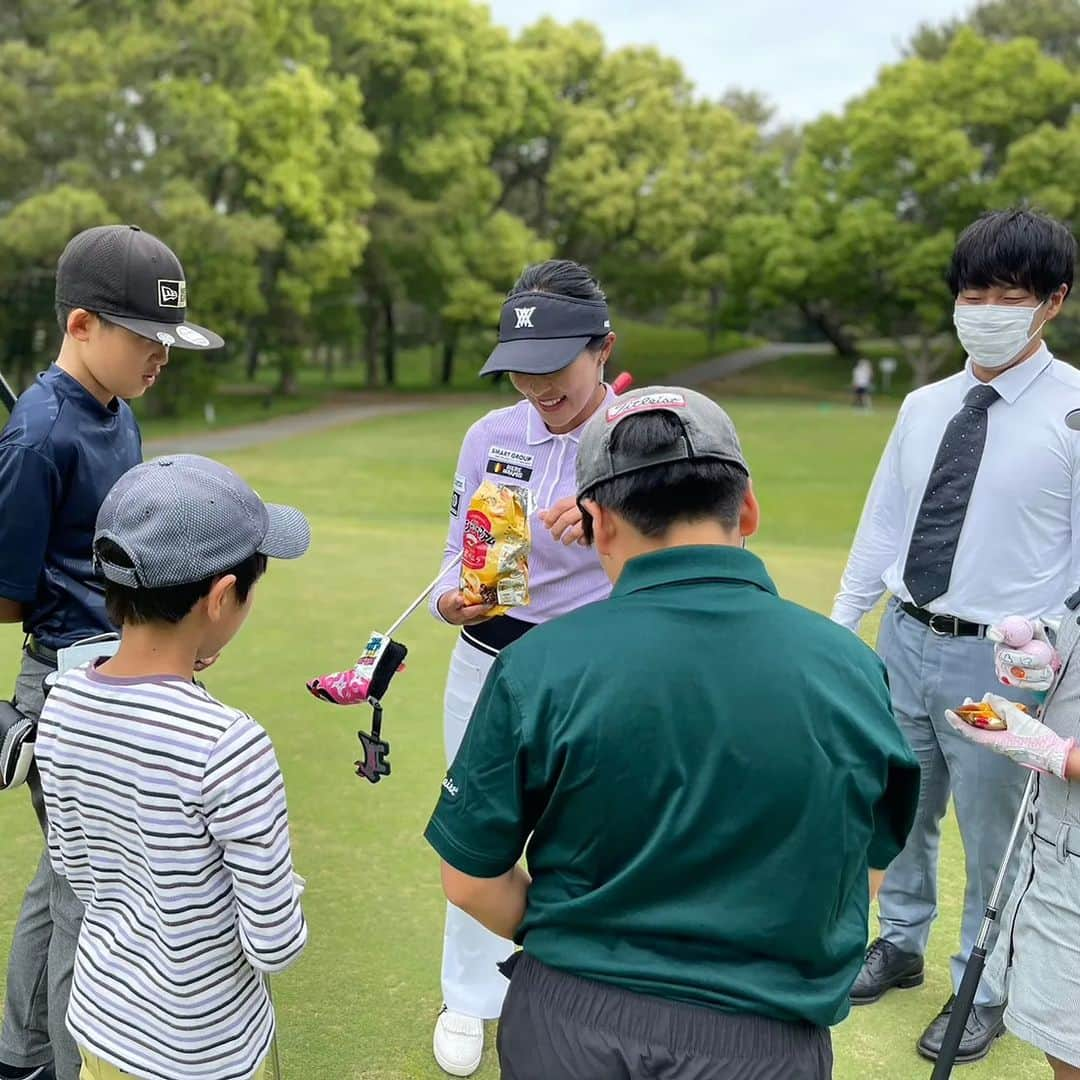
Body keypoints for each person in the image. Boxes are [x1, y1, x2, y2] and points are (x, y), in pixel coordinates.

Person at [424, 386, 921, 1080]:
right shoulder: (851, 669)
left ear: (595, 523)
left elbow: (470, 877)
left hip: (570, 1020)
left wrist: (573, 939)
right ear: (747, 507)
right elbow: (867, 861)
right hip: (767, 1034)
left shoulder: (537, 664)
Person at [830, 207, 1078, 1064]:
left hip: (1006, 662)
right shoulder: (924, 403)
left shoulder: (1077, 411)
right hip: (904, 636)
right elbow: (883, 527)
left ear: (1052, 302)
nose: (986, 308)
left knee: (993, 826)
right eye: (973, 292)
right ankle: (899, 943)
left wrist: (1049, 641)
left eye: (1009, 293)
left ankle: (987, 977)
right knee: (899, 805)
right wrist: (840, 627)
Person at [0, 224, 224, 1080]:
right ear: (84, 324)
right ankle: (64, 1064)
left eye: (167, 341)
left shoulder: (118, 413)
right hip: (66, 686)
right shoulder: (37, 437)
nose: (160, 358)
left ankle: (19, 1053)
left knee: (59, 884)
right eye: (146, 338)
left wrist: (165, 638)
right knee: (87, 900)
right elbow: (7, 594)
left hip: (126, 667)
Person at [34, 454, 310, 1080]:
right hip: (205, 1050)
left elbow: (76, 869)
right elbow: (276, 942)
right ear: (219, 598)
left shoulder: (62, 701)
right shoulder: (231, 746)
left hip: (102, 1024)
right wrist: (287, 890)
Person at [426, 259, 619, 1076]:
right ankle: (469, 996)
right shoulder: (490, 436)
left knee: (586, 837)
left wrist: (612, 517)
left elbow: (687, 556)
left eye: (556, 370)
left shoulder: (641, 433)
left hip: (591, 669)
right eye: (521, 370)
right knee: (483, 840)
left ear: (604, 349)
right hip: (486, 662)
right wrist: (449, 601)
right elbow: (454, 558)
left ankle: (578, 986)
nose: (537, 386)